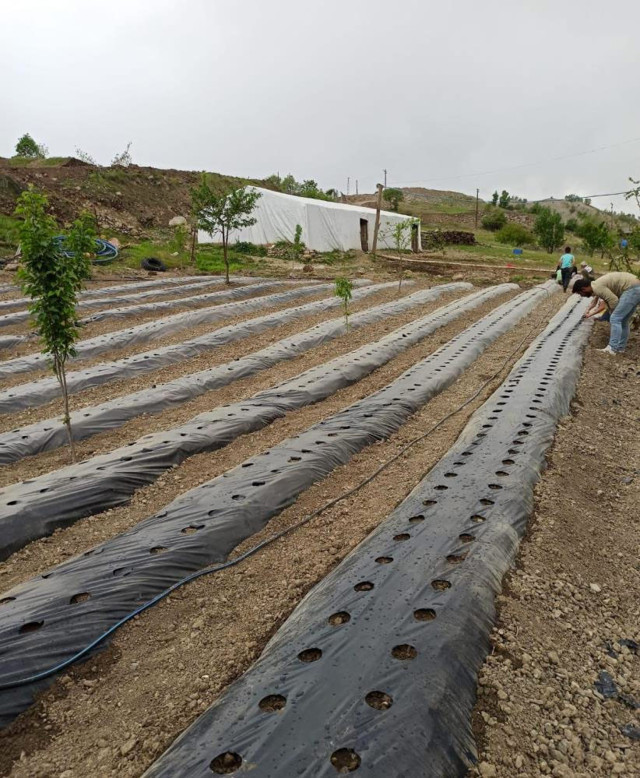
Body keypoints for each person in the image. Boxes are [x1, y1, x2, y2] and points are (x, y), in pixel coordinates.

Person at [572, 272, 640, 354]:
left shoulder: (597, 287)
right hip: (636, 287)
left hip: (632, 288)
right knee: (624, 321)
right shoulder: (596, 285)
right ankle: (620, 348)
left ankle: (612, 348)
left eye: (580, 293)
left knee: (615, 319)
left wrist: (612, 314)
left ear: (584, 289)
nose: (582, 296)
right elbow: (604, 300)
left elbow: (613, 300)